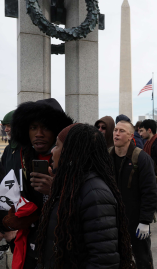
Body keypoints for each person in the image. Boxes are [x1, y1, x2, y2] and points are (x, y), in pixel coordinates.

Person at [36, 123, 135, 268]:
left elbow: (103, 261)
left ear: (70, 151)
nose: (52, 151)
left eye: (57, 145)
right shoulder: (71, 185)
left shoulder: (95, 194)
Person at [10, 98, 74, 268]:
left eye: (45, 127)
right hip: (30, 242)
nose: (39, 133)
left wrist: (55, 191)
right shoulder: (18, 157)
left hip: (62, 244)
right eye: (33, 127)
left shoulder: (72, 160)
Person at [110, 120, 157, 269]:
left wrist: (145, 221)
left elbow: (150, 192)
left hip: (136, 221)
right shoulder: (106, 156)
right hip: (112, 220)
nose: (117, 133)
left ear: (131, 135)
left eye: (121, 131)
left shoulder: (141, 158)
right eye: (115, 130)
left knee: (142, 259)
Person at [0, 110, 21, 254]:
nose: (6, 129)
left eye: (9, 126)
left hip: (23, 213)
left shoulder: (26, 150)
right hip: (8, 210)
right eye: (4, 126)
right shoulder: (8, 150)